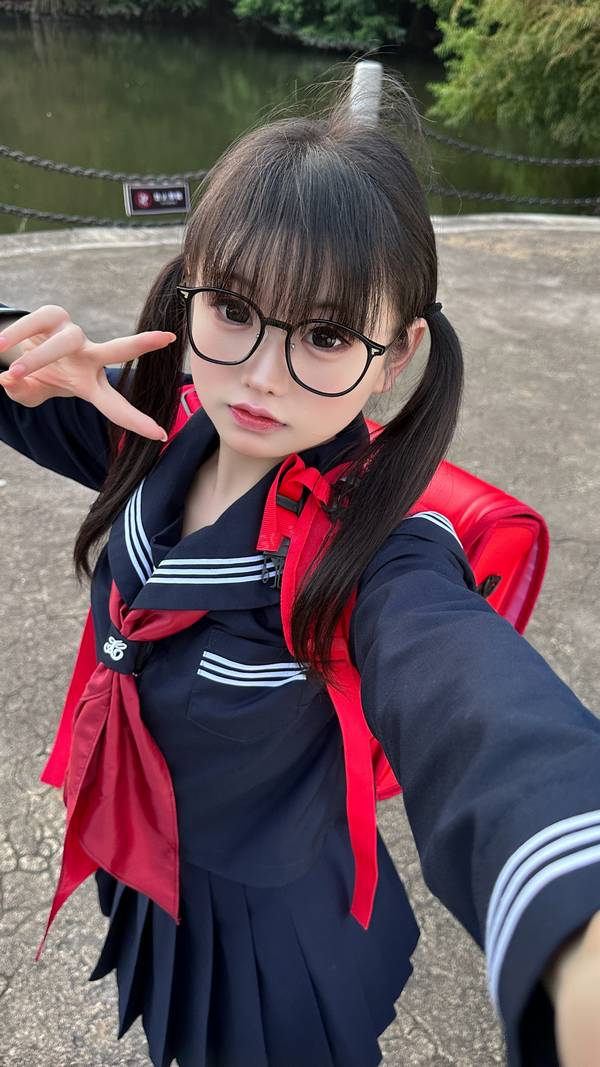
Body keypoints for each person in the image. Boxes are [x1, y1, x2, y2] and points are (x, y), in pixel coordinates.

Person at [1, 66, 600, 1067]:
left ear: (397, 353)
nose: (261, 375)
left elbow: (482, 709)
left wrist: (577, 919)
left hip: (267, 920)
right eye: (233, 309)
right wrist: (14, 357)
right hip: (146, 856)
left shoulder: (376, 552)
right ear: (191, 288)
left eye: (324, 334)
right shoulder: (149, 428)